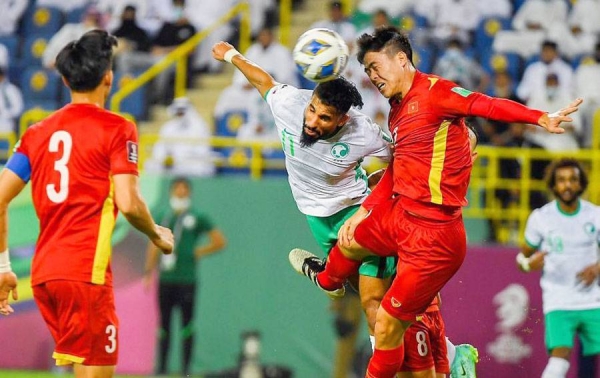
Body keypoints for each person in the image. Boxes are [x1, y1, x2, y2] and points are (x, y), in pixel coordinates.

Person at [287, 26, 581, 377]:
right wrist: (364, 211)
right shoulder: (397, 110)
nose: (373, 76)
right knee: (349, 243)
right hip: (400, 217)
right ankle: (327, 281)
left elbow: (483, 104)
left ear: (401, 59)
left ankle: (448, 361)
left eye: (376, 66)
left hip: (434, 236)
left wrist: (539, 118)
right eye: (366, 70)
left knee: (387, 326)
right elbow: (396, 170)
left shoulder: (435, 92)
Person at [212, 39, 477, 378]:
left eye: (324, 118)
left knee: (375, 306)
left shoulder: (362, 131)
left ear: (342, 120)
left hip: (356, 212)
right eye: (312, 110)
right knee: (370, 300)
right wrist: (232, 55)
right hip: (317, 220)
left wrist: (458, 142)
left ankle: (426, 362)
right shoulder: (290, 104)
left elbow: (403, 152)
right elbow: (262, 79)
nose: (312, 121)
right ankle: (453, 354)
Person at [0, 30, 174, 377]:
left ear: (65, 79)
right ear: (109, 78)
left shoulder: (37, 132)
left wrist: (3, 266)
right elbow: (127, 200)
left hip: (45, 275)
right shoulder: (117, 128)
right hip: (85, 274)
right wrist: (156, 234)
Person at [517, 158, 600, 378]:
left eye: (573, 179)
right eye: (561, 180)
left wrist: (598, 267)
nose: (567, 185)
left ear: (581, 184)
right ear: (553, 185)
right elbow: (521, 258)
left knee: (590, 363)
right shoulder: (541, 218)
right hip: (559, 302)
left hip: (594, 301)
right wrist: (528, 264)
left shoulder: (595, 215)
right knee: (559, 359)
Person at [143, 177, 227, 376]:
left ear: (189, 192)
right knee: (164, 325)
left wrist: (199, 251)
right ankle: (161, 369)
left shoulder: (197, 217)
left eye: (184, 189)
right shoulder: (163, 215)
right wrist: (148, 271)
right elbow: (153, 244)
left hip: (187, 279)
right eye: (177, 188)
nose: (181, 192)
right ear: (171, 191)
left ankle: (186, 370)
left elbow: (219, 241)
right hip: (166, 279)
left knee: (187, 325)